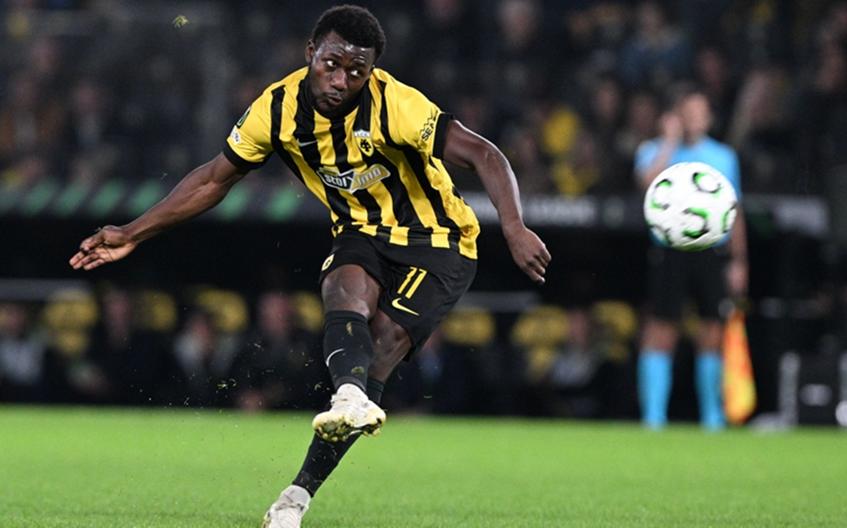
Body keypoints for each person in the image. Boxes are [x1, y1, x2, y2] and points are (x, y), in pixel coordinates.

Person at [69, 5, 550, 527]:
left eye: (356, 71)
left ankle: (297, 494)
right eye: (331, 64)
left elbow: (485, 154)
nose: (341, 80)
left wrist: (514, 227)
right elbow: (212, 180)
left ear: (371, 72)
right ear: (310, 53)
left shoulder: (397, 105)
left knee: (382, 346)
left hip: (441, 242)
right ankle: (349, 397)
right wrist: (133, 232)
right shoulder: (277, 109)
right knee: (343, 288)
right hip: (361, 230)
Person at [634, 86, 747, 430]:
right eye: (688, 112)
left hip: (711, 252)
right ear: (677, 116)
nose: (694, 119)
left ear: (709, 118)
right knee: (661, 329)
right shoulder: (653, 150)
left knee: (712, 330)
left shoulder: (724, 157)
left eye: (700, 112)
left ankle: (712, 417)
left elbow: (735, 211)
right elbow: (645, 185)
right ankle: (654, 417)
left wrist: (739, 260)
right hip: (670, 252)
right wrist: (669, 142)